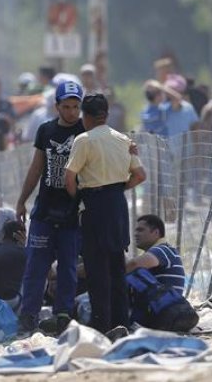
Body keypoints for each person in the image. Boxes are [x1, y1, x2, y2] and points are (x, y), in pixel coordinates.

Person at [65, 94, 146, 339]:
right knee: (117, 268)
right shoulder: (123, 140)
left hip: (94, 205)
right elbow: (140, 175)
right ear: (107, 115)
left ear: (86, 117)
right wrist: (116, 189)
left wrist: (78, 198)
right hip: (117, 206)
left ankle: (103, 326)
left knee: (96, 268)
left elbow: (69, 177)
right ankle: (123, 322)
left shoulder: (84, 140)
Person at [14, 81, 85, 335]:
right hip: (44, 211)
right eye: (66, 106)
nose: (71, 112)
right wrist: (22, 200)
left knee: (67, 267)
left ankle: (63, 314)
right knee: (36, 265)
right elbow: (36, 168)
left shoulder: (85, 132)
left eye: (76, 107)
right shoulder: (45, 130)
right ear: (57, 106)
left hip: (71, 213)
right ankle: (28, 315)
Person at [126, 215, 195, 331]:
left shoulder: (163, 249)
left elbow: (134, 265)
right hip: (164, 311)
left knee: (134, 274)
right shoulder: (163, 251)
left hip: (163, 310)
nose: (135, 234)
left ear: (156, 232)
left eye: (140, 230)